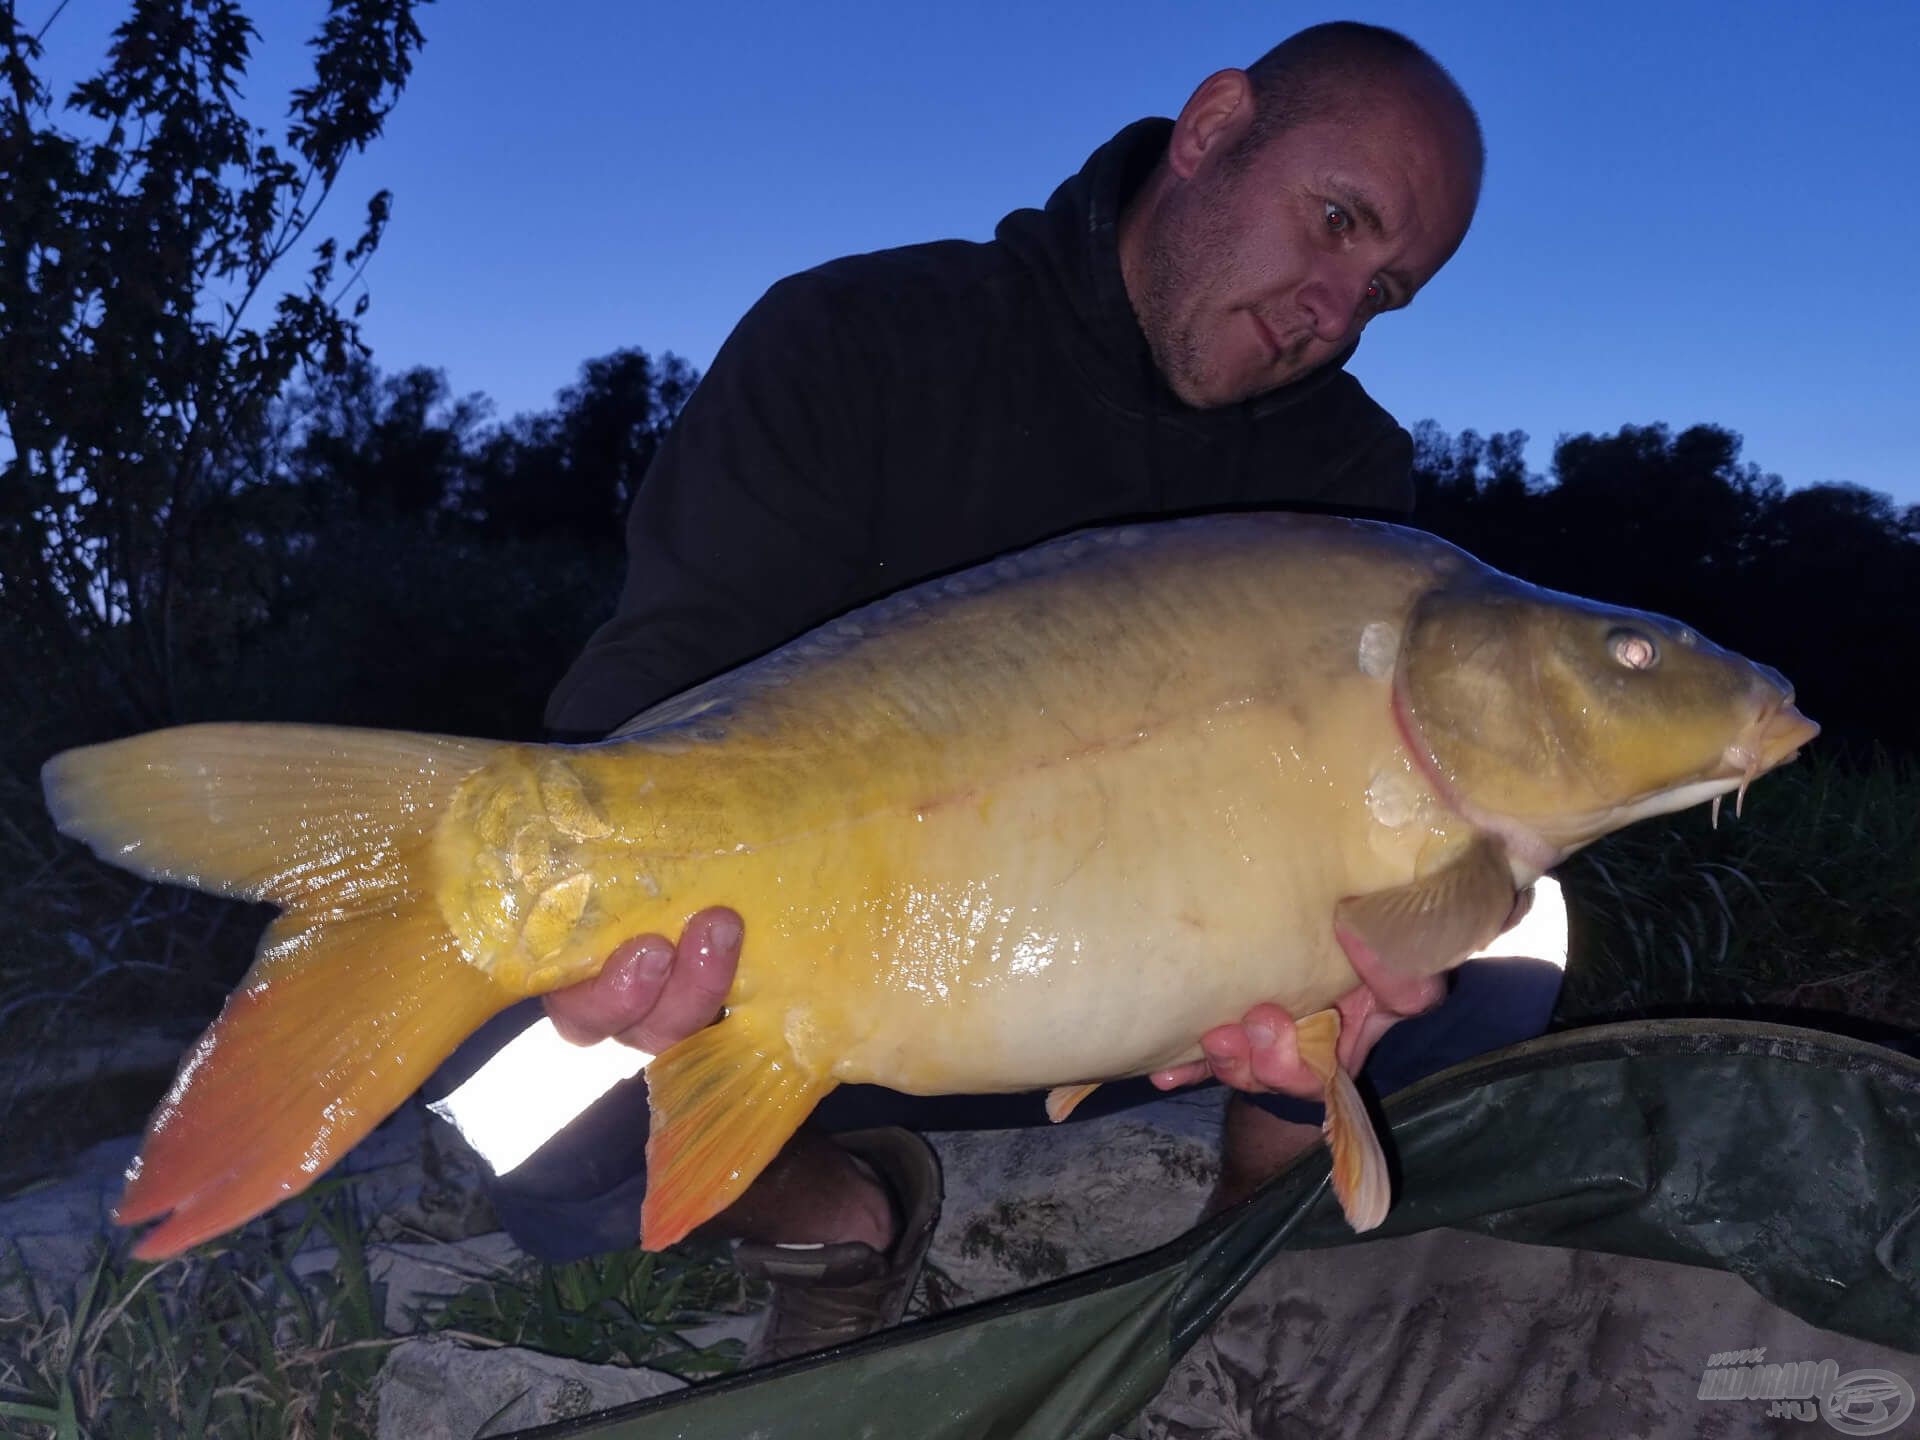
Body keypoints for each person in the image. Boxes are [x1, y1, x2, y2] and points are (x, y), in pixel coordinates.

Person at [442, 21, 1564, 1364]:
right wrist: (628, 958)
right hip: (798, 980)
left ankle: (1251, 1224)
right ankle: (838, 1213)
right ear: (1211, 130)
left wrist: (1315, 1010)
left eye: (1384, 291)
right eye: (1333, 222)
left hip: (1148, 1008)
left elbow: (1359, 800)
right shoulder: (861, 338)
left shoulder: (1343, 477)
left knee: (1508, 918)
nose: (1332, 312)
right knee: (502, 1081)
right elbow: (652, 690)